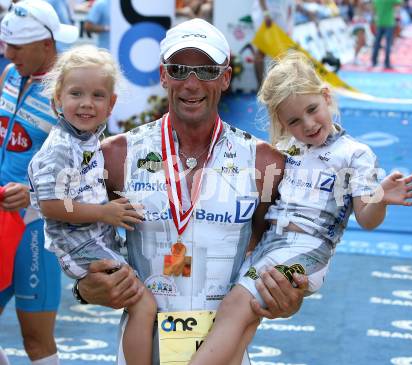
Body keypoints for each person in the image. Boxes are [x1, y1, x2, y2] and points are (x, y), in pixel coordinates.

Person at [74, 18, 308, 365]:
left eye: (207, 71)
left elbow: (280, 255)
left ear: (226, 77)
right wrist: (83, 289)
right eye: (180, 69)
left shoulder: (264, 163)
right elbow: (85, 248)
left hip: (224, 349)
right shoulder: (118, 155)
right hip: (142, 346)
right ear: (163, 75)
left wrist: (290, 296)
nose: (192, 84)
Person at [188, 50, 412, 365]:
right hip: (269, 247)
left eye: (313, 109)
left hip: (308, 252)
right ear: (282, 123)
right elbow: (262, 206)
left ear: (326, 96)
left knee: (234, 307)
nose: (309, 124)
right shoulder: (284, 150)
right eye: (294, 121)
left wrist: (379, 196)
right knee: (245, 319)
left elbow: (367, 219)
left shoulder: (355, 154)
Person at [28, 44, 156, 365]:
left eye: (98, 95)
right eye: (76, 94)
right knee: (144, 303)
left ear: (111, 104)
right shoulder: (58, 148)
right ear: (57, 97)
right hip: (79, 246)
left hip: (97, 237)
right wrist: (105, 212)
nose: (87, 104)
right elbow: (51, 206)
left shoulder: (86, 137)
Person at [0, 1, 78, 364]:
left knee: (36, 342)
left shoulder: (69, 92)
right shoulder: (11, 75)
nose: (7, 52)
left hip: (34, 229)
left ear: (47, 44)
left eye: (17, 46)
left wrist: (32, 194)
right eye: (6, 43)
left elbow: (86, 172)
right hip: (2, 223)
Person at [252, 0, 294, 88]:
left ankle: (276, 86)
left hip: (279, 12)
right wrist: (266, 13)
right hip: (264, 13)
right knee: (261, 50)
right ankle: (260, 87)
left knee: (280, 52)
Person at [371, 0, 402, 69]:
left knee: (377, 43)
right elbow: (399, 3)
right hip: (389, 23)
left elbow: (373, 10)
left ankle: (374, 61)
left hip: (379, 22)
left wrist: (373, 20)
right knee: (388, 44)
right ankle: (387, 63)